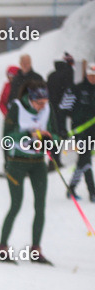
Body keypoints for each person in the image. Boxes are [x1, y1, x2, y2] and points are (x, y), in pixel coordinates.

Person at [0, 82, 55, 265]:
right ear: (31, 99)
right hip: (17, 163)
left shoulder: (47, 109)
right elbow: (7, 138)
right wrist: (29, 136)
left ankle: (36, 250)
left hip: (38, 163)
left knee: (40, 206)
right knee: (16, 205)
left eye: (45, 102)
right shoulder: (17, 108)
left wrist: (50, 138)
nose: (42, 107)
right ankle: (2, 248)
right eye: (39, 103)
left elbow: (55, 133)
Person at [60, 63, 95, 201]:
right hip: (79, 131)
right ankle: (92, 192)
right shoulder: (75, 89)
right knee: (85, 158)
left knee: (83, 160)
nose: (93, 78)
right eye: (91, 76)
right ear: (86, 75)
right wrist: (62, 128)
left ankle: (72, 188)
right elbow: (63, 109)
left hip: (93, 131)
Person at [47, 53, 75, 170]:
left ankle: (53, 160)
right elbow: (71, 91)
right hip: (63, 108)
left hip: (51, 109)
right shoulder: (70, 73)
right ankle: (56, 161)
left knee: (53, 134)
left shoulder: (51, 75)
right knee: (60, 134)